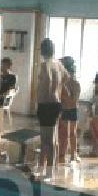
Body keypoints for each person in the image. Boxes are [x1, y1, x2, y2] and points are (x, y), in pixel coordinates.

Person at [35, 38, 67, 180]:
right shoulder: (58, 64)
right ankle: (49, 170)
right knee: (52, 140)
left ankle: (47, 172)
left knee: (46, 141)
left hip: (46, 104)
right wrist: (57, 91)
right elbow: (67, 77)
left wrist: (48, 93)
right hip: (55, 104)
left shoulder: (45, 64)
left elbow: (47, 80)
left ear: (42, 50)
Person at [58, 56, 81, 164]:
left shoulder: (76, 84)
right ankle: (61, 153)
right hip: (63, 110)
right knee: (63, 133)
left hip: (72, 110)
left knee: (72, 133)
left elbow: (73, 101)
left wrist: (65, 94)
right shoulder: (60, 84)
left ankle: (73, 154)